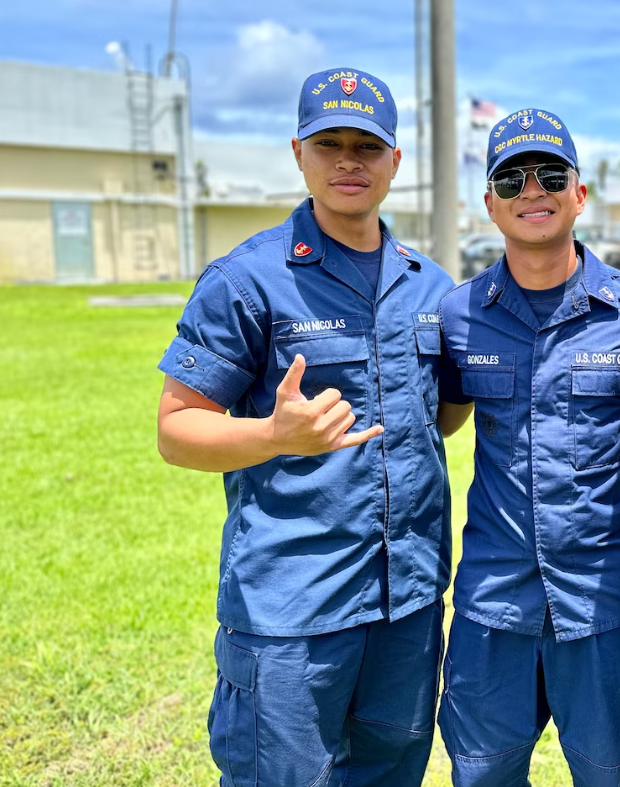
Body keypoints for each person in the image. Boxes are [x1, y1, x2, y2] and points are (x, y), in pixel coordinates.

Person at [155, 67, 471, 787]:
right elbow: (177, 431)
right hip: (293, 606)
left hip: (408, 598)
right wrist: (273, 436)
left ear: (396, 161)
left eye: (368, 145)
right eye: (330, 143)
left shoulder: (429, 284)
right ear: (298, 152)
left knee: (392, 774)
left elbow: (438, 416)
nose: (349, 161)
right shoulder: (247, 280)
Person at [436, 107, 620, 787]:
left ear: (580, 192)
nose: (530, 190)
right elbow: (450, 418)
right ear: (489, 204)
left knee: (608, 772)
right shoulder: (459, 313)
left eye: (548, 174)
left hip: (599, 600)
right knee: (482, 773)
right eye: (510, 179)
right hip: (492, 600)